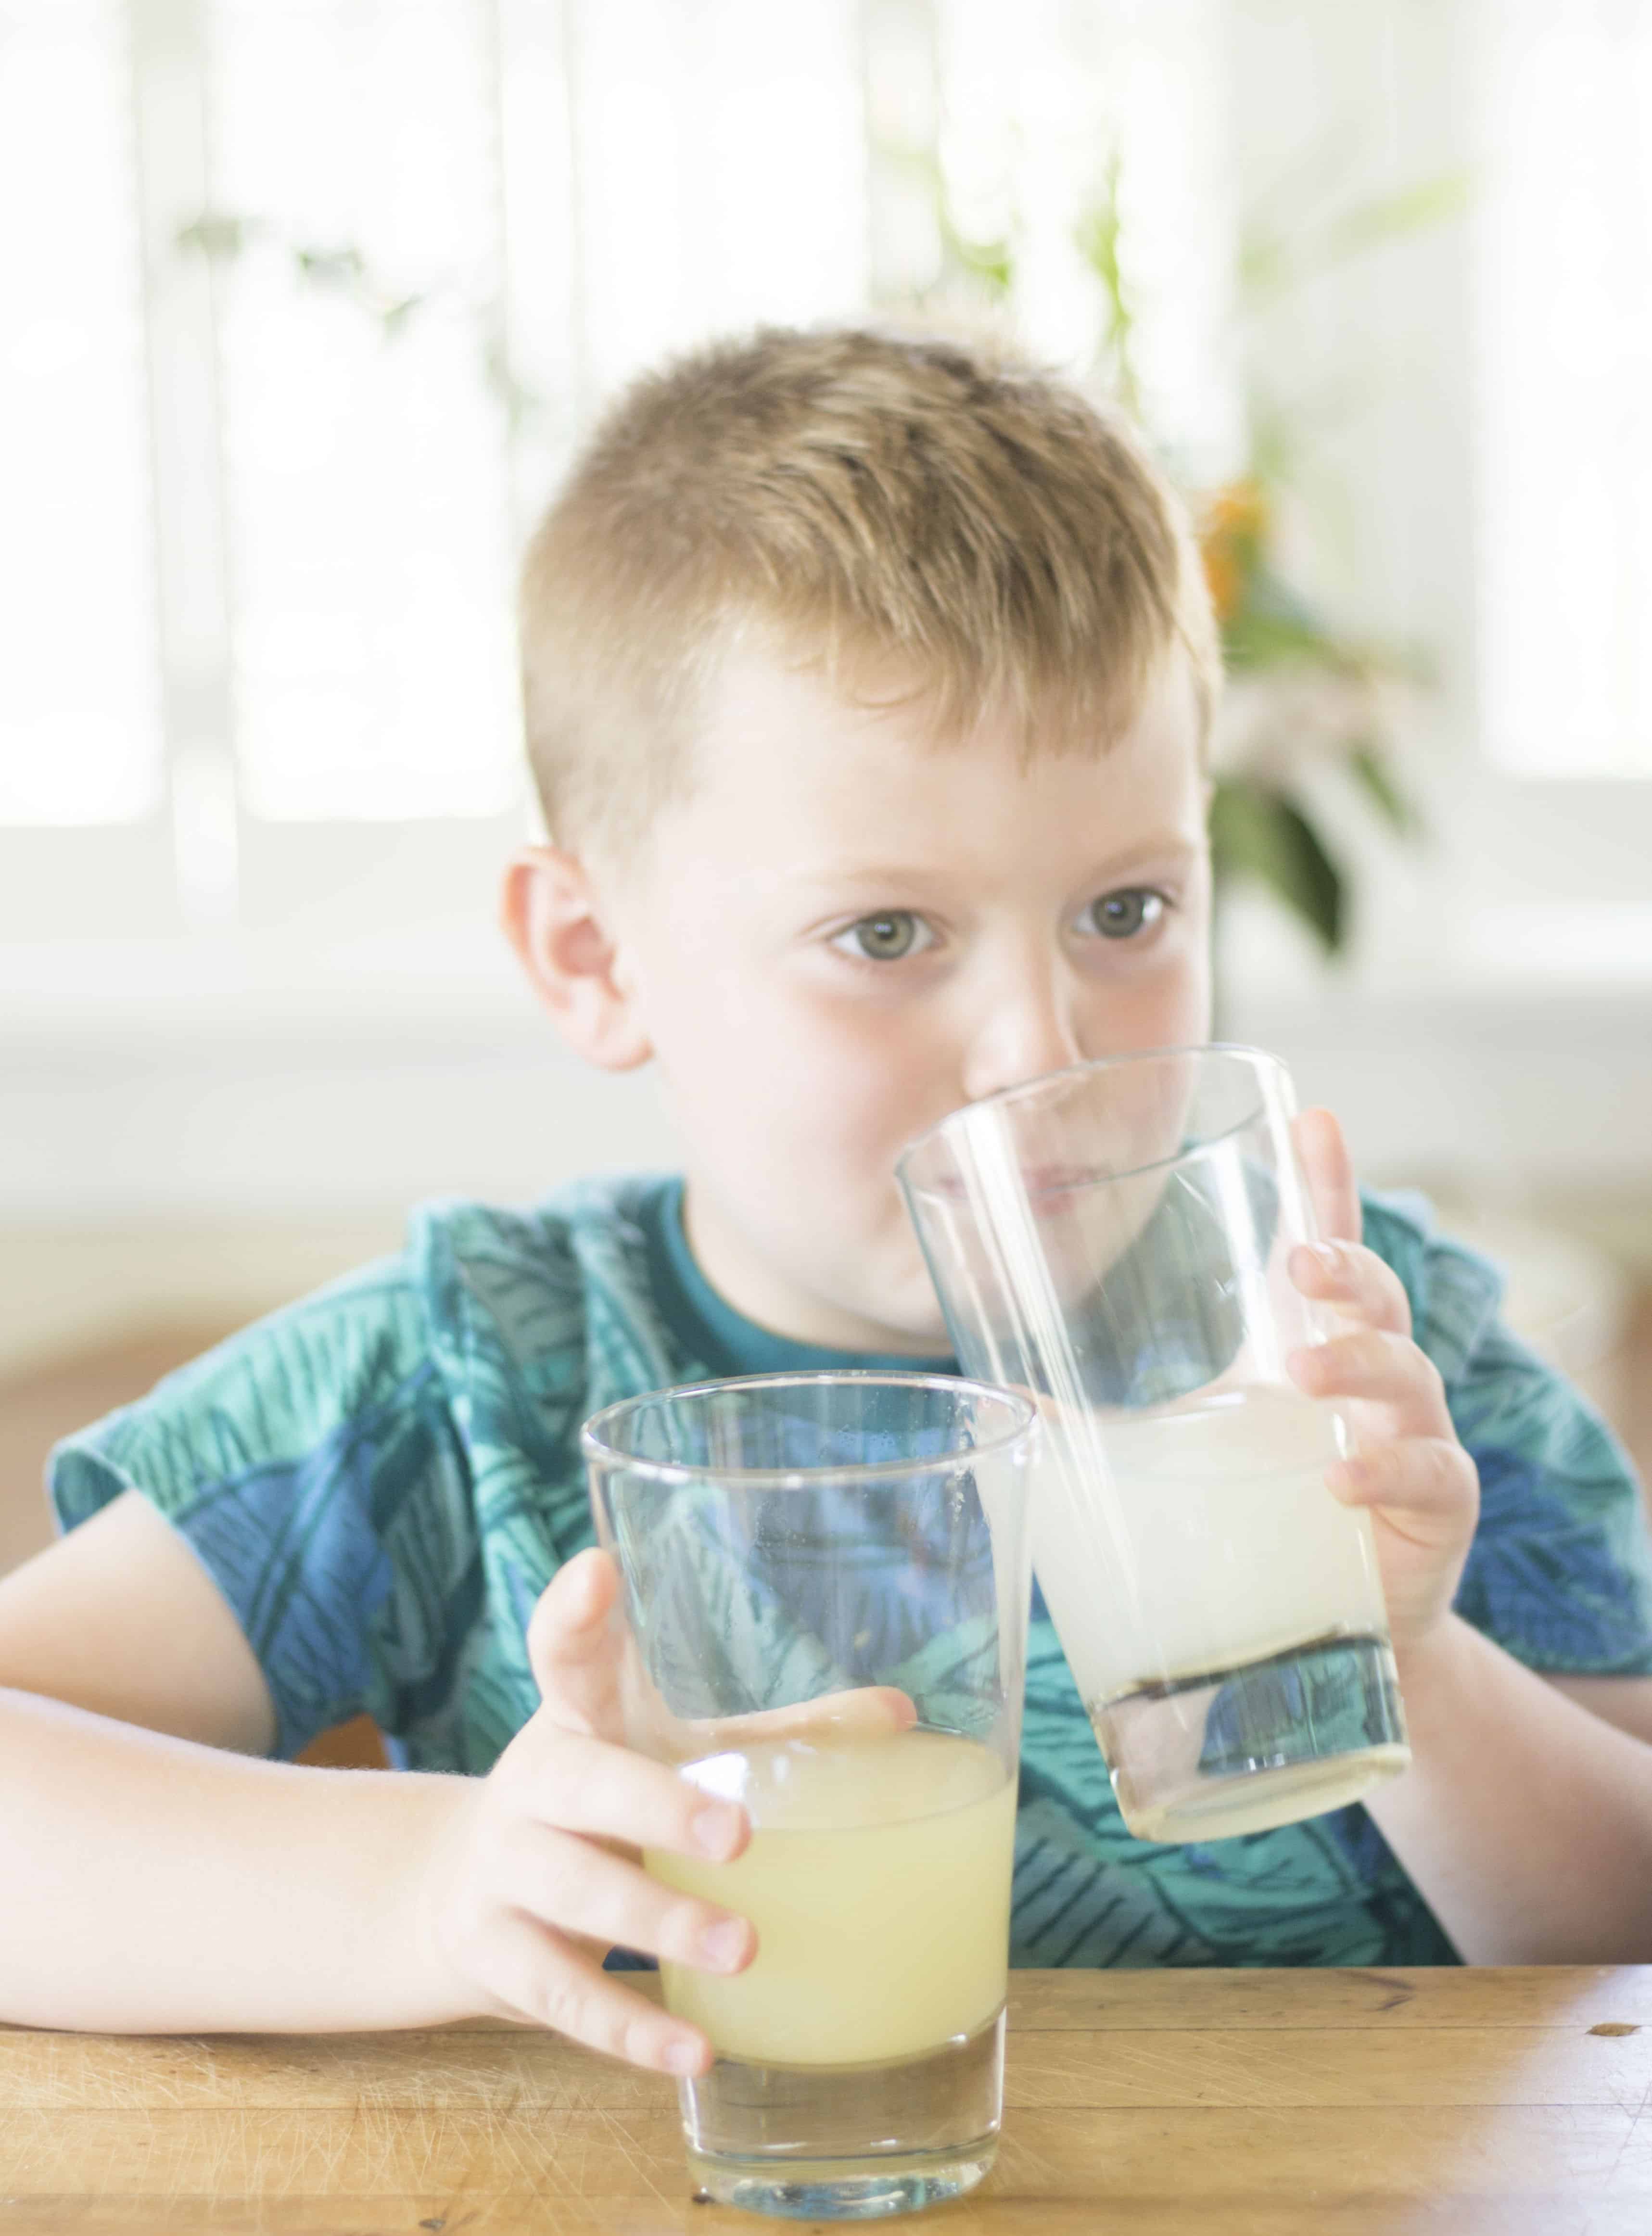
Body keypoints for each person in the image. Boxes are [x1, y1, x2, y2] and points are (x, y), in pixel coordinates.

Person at [5, 326, 1652, 2076]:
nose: (1037, 1048)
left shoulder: (1367, 1347)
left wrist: (1418, 1658)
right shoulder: (459, 1382)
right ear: (593, 955)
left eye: (1126, 913)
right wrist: (433, 1887)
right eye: (885, 935)